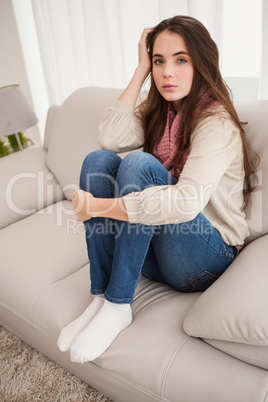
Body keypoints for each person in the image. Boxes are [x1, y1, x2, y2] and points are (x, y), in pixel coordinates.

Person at [57, 15, 257, 363]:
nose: (167, 72)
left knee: (139, 165)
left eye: (181, 60)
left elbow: (184, 204)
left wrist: (100, 208)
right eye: (158, 61)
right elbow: (109, 137)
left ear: (202, 62)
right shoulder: (159, 112)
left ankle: (120, 305)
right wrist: (139, 70)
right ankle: (102, 298)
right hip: (159, 251)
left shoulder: (216, 122)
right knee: (98, 160)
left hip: (205, 258)